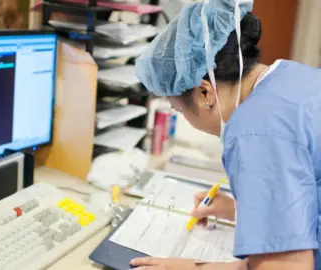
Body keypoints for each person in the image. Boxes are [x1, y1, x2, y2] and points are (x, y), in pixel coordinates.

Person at [132, 0, 321, 269]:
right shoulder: (290, 76)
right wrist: (245, 211)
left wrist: (193, 268)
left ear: (204, 92)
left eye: (179, 110)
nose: (183, 117)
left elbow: (286, 266)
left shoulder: (254, 133)